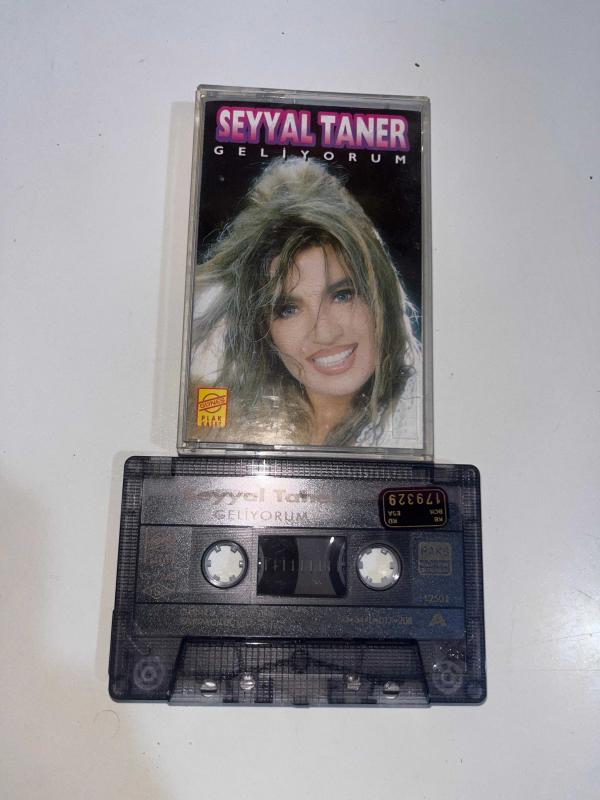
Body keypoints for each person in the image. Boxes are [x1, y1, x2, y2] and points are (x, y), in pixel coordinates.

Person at [187, 157, 421, 448]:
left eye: (343, 295)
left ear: (380, 295)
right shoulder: (239, 418)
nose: (325, 333)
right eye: (288, 310)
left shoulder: (418, 416)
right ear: (262, 330)